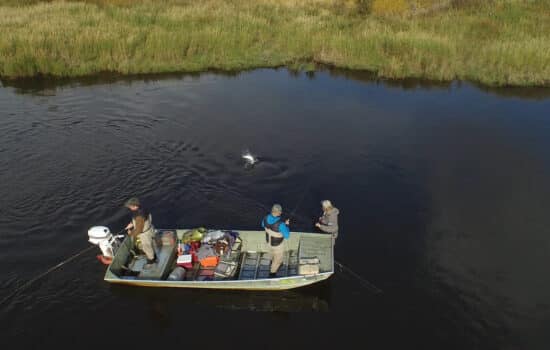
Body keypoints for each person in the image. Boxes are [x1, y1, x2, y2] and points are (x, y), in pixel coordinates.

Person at [124, 197, 157, 269]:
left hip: (145, 234)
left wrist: (131, 233)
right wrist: (131, 224)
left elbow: (138, 230)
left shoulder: (139, 216)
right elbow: (140, 222)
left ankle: (151, 262)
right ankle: (154, 256)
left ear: (135, 206)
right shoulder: (143, 209)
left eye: (130, 206)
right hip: (150, 229)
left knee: (147, 248)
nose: (129, 208)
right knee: (151, 245)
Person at [261, 204, 290, 278]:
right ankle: (272, 273)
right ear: (279, 212)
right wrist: (287, 225)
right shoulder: (281, 224)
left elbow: (262, 225)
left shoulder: (265, 218)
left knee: (272, 254)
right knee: (278, 260)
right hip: (277, 246)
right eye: (280, 212)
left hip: (268, 242)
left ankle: (272, 261)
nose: (281, 213)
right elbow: (287, 236)